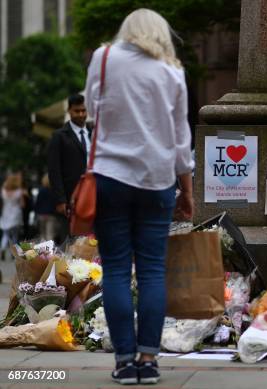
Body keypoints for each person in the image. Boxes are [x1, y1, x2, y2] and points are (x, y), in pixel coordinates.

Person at [85, 9, 193, 385]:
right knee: (151, 272)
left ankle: (124, 362)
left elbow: (92, 113)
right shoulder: (172, 71)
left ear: (126, 32)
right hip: (157, 179)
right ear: (161, 33)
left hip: (110, 176)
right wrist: (188, 190)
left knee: (115, 269)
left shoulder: (103, 59)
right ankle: (149, 361)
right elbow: (181, 138)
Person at [47, 94, 91, 241]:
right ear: (69, 111)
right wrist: (60, 200)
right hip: (71, 198)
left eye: (83, 111)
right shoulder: (59, 136)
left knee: (92, 241)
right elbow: (54, 170)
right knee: (72, 242)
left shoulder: (94, 134)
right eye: (77, 111)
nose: (81, 114)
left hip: (95, 196)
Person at [0, 174, 24, 260]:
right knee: (15, 235)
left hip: (5, 214)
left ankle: (2, 248)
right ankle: (12, 253)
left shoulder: (3, 191)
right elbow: (22, 204)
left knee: (5, 234)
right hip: (15, 214)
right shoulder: (19, 192)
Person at [34, 174, 59, 242]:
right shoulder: (54, 191)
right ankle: (50, 251)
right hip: (51, 215)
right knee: (50, 234)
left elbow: (37, 203)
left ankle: (43, 250)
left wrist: (36, 213)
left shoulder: (41, 190)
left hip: (41, 215)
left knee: (42, 234)